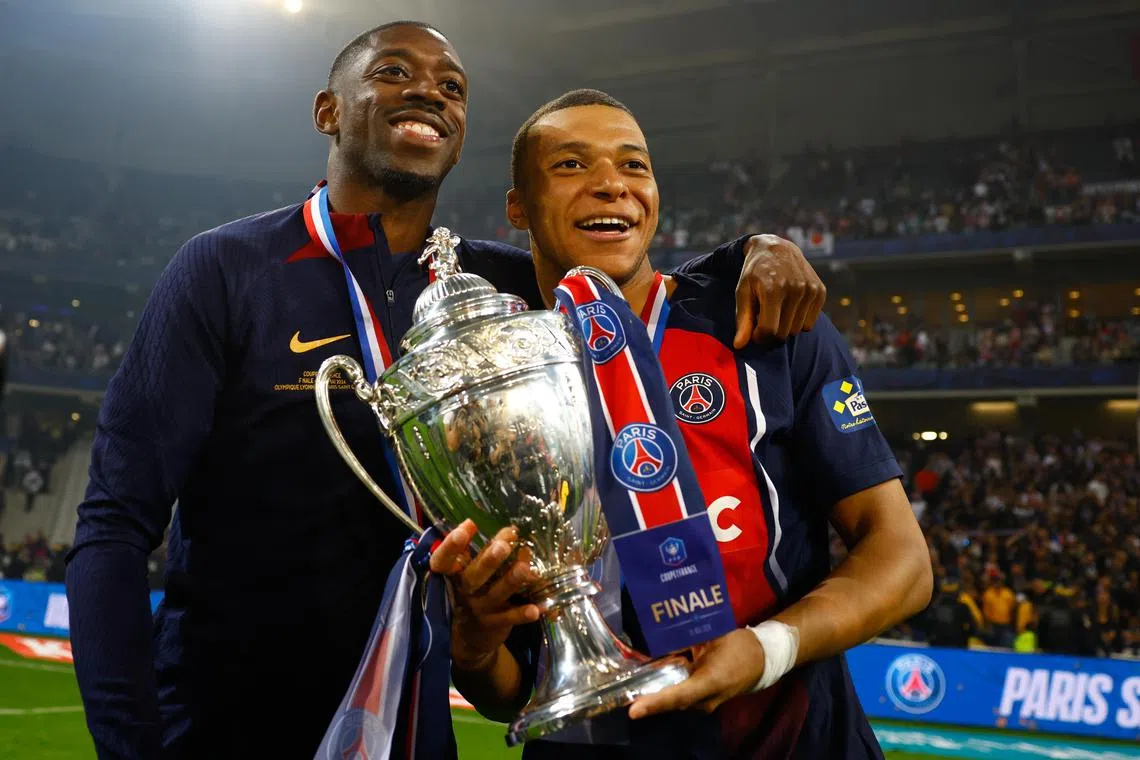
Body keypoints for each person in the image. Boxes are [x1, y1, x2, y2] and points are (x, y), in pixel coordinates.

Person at [64, 23, 827, 760]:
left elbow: (629, 273)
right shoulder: (227, 270)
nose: (429, 93)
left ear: (461, 136)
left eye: (452, 88)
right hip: (230, 722)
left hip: (414, 726)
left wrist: (754, 251)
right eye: (394, 72)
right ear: (328, 111)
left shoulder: (497, 288)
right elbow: (113, 526)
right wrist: (132, 746)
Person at [430, 89, 933, 759]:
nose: (613, 185)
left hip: (792, 741)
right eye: (573, 165)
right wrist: (474, 643)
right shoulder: (497, 386)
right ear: (517, 206)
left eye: (634, 166)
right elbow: (509, 694)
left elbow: (902, 561)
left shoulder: (763, 326)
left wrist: (764, 650)